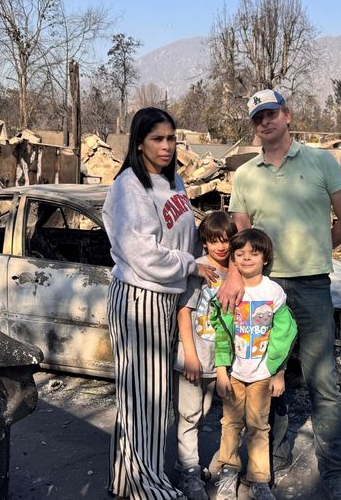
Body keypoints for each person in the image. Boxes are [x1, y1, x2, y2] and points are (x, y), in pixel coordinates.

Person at [217, 90, 341, 499]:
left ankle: (334, 474)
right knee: (264, 374)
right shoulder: (245, 175)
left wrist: (315, 250)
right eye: (257, 117)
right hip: (263, 289)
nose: (265, 122)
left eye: (271, 113)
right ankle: (272, 460)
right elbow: (242, 237)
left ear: (287, 115)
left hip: (313, 285)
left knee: (322, 381)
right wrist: (233, 274)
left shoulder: (321, 162)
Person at [103, 107, 217, 499]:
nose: (167, 146)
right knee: (145, 398)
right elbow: (143, 254)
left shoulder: (176, 182)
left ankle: (127, 479)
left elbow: (185, 237)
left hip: (165, 299)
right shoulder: (129, 187)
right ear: (139, 143)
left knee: (149, 396)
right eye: (158, 139)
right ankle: (148, 488)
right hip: (139, 297)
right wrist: (192, 266)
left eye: (171, 139)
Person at [211, 228, 297, 500]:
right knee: (230, 424)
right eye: (240, 254)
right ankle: (228, 472)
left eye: (254, 253)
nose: (247, 258)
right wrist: (221, 370)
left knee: (259, 427)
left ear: (265, 257)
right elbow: (221, 332)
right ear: (233, 260)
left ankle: (259, 479)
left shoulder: (273, 292)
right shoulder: (228, 291)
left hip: (262, 375)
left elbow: (285, 333)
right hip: (234, 373)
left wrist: (278, 372)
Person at [173, 210, 236, 500]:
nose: (221, 246)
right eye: (214, 241)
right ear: (205, 242)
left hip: (219, 361)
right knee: (188, 416)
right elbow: (184, 312)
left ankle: (189, 464)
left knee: (204, 413)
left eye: (226, 240)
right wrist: (190, 355)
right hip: (194, 357)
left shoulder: (235, 272)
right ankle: (189, 472)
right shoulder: (199, 268)